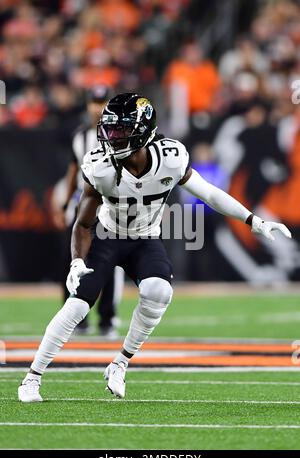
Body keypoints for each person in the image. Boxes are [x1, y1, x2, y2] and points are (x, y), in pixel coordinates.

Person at [18, 93, 291, 402]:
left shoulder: (170, 160)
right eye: (109, 130)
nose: (111, 137)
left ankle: (120, 363)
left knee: (159, 292)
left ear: (144, 131)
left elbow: (210, 194)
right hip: (106, 236)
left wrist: (252, 220)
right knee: (78, 306)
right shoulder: (101, 167)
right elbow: (83, 223)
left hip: (144, 238)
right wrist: (76, 262)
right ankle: (32, 377)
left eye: (120, 131)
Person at [50, 85, 123, 336]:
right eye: (94, 102)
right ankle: (74, 318)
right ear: (87, 105)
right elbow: (73, 173)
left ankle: (106, 318)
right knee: (71, 260)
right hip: (83, 206)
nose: (98, 108)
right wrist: (64, 202)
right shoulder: (79, 136)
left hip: (109, 207)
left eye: (102, 102)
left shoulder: (121, 135)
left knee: (108, 261)